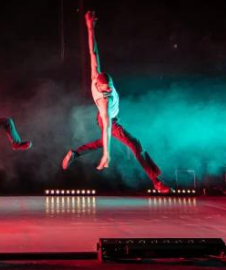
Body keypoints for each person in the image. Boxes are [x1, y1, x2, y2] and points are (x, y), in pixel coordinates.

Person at [61, 11, 170, 193]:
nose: (111, 89)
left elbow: (93, 51)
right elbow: (108, 127)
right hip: (108, 120)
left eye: (111, 86)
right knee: (135, 144)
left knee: (105, 141)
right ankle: (156, 182)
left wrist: (90, 28)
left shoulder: (95, 76)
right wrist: (107, 155)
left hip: (106, 119)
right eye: (108, 89)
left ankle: (76, 153)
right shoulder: (103, 102)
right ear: (101, 88)